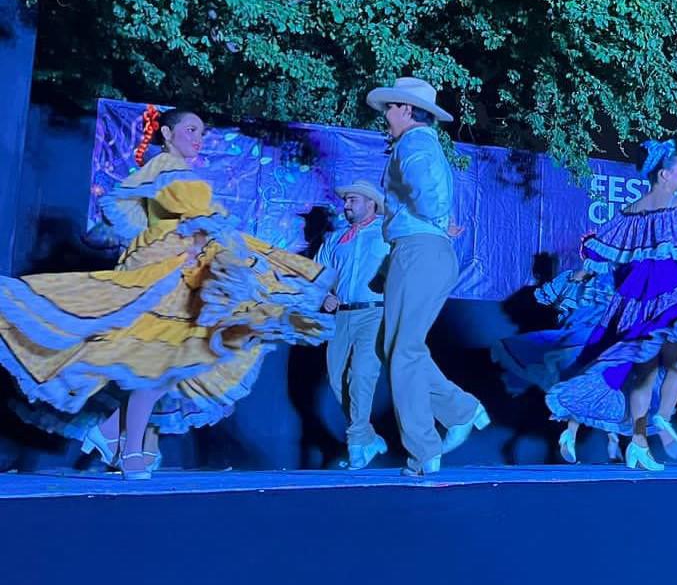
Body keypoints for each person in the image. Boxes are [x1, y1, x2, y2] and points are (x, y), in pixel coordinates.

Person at [0, 106, 333, 479]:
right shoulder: (166, 170)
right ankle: (128, 449)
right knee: (158, 366)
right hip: (168, 281)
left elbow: (194, 226)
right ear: (167, 134)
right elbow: (192, 222)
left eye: (202, 132)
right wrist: (212, 245)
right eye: (191, 130)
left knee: (170, 364)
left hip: (183, 279)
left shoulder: (177, 173)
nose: (198, 138)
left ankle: (111, 433)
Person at [546, 140, 677, 471]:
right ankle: (661, 421)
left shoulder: (632, 211)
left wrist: (579, 276)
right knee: (676, 364)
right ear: (665, 174)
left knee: (646, 372)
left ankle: (640, 442)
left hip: (635, 304)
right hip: (669, 299)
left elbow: (598, 252)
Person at [367, 77, 489, 476]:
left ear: (405, 109)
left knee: (402, 351)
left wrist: (434, 219)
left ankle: (424, 450)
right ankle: (460, 410)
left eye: (390, 108)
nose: (386, 116)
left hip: (420, 249)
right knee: (399, 349)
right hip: (420, 250)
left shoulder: (415, 143)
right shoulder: (418, 144)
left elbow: (430, 195)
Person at [492, 239, 622, 463]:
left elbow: (541, 297)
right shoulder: (611, 281)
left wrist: (564, 299)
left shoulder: (572, 277)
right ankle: (609, 439)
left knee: (585, 389)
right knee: (607, 386)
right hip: (595, 343)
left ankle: (575, 435)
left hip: (570, 343)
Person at [315, 179, 390, 470]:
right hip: (342, 315)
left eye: (353, 200)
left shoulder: (387, 232)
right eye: (346, 201)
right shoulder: (335, 239)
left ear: (371, 203)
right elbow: (319, 274)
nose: (346, 205)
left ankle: (357, 444)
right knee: (336, 378)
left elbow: (411, 257)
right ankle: (368, 437)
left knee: (362, 373)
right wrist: (325, 295)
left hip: (374, 313)